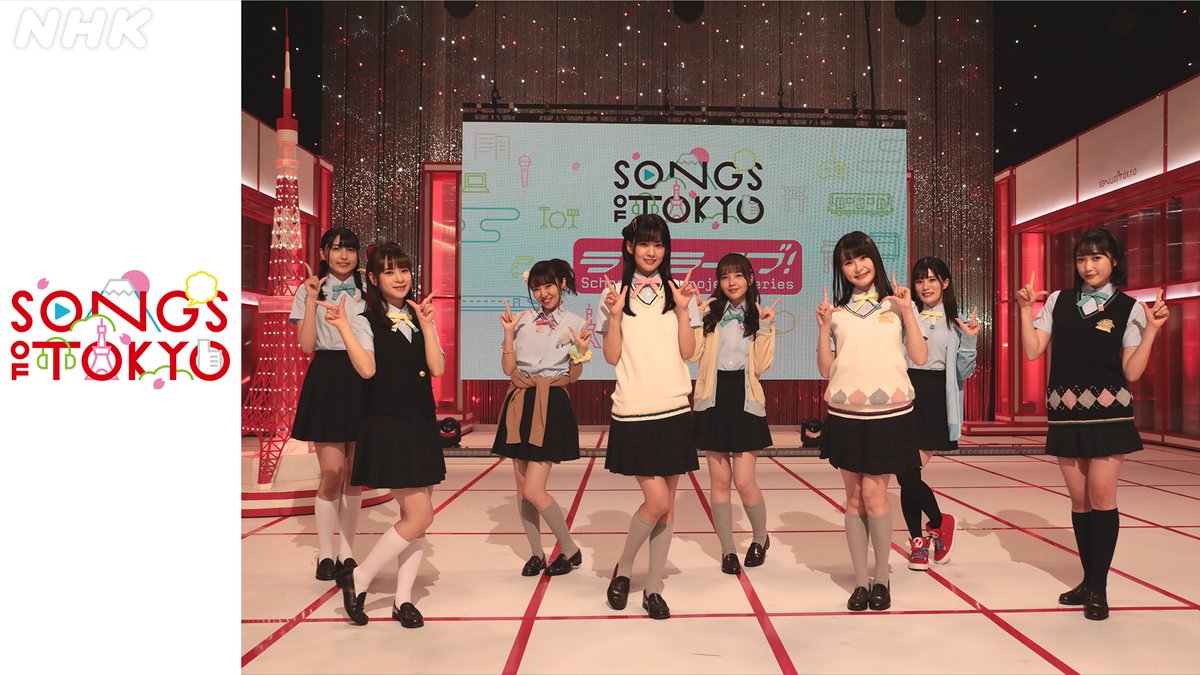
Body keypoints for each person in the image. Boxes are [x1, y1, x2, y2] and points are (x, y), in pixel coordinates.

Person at [1017, 228, 1168, 621]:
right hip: (1065, 414)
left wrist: (1152, 330)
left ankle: (1098, 588)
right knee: (1080, 501)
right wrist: (1024, 310)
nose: (1088, 265)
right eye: (1082, 258)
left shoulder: (1131, 308)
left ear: (1114, 261)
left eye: (1097, 257)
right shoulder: (1058, 300)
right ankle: (1088, 580)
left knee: (1102, 499)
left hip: (1109, 414)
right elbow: (1033, 351)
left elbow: (1132, 371)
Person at [323, 243, 447, 629]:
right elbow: (366, 370)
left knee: (416, 518)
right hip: (388, 423)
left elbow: (437, 368)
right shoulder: (365, 319)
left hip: (420, 421)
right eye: (390, 271)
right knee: (420, 514)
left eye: (404, 269)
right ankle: (359, 577)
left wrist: (428, 324)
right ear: (374, 279)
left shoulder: (416, 315)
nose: (400, 277)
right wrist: (344, 327)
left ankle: (402, 600)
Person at [816, 231, 927, 612]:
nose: (857, 267)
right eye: (848, 262)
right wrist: (823, 328)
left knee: (874, 495)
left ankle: (882, 578)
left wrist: (908, 311)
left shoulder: (896, 305)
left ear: (874, 260)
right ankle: (860, 582)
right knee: (852, 499)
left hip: (888, 415)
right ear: (841, 270)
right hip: (846, 415)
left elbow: (920, 356)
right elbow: (827, 369)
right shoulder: (837, 314)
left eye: (862, 258)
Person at [597, 214, 702, 620]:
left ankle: (653, 589)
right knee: (656, 500)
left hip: (673, 407)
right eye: (645, 243)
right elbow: (611, 356)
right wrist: (615, 316)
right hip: (633, 409)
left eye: (659, 244)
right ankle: (625, 567)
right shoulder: (614, 295)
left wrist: (683, 310)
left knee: (668, 506)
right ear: (630, 247)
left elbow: (689, 352)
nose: (652, 251)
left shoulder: (678, 293)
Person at [493, 259, 593, 577]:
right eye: (536, 288)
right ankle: (536, 552)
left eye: (548, 285)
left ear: (562, 284)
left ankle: (570, 549)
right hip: (520, 401)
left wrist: (580, 351)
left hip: (551, 403)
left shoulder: (576, 322)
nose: (543, 293)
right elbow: (508, 369)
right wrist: (508, 333)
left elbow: (573, 375)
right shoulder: (521, 321)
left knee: (535, 489)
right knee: (522, 487)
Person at [690, 253, 778, 575]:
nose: (731, 282)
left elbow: (763, 365)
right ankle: (728, 549)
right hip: (713, 398)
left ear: (750, 279)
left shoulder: (759, 315)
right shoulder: (710, 314)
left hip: (745, 399)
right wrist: (694, 317)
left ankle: (760, 538)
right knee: (720, 481)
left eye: (738, 275)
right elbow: (693, 354)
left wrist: (765, 327)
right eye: (725, 276)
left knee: (743, 481)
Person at [289, 227, 366, 581]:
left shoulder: (368, 290)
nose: (343, 255)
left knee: (355, 474)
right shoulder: (308, 290)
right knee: (332, 472)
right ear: (323, 253)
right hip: (327, 376)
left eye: (349, 249)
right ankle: (324, 553)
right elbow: (307, 346)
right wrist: (309, 301)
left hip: (363, 375)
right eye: (336, 249)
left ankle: (347, 552)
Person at [900, 256, 980, 570]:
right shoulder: (907, 316)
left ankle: (934, 526)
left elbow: (963, 372)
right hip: (904, 394)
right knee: (907, 473)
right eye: (920, 280)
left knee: (908, 472)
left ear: (945, 283)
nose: (925, 286)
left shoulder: (955, 324)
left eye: (932, 279)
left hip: (935, 398)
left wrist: (970, 340)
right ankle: (925, 536)